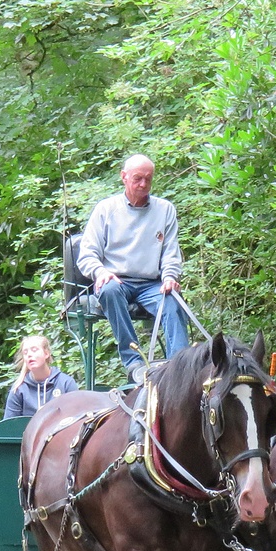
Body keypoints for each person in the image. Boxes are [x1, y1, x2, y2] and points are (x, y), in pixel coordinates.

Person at [77, 153, 188, 384]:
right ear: (124, 177)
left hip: (152, 284)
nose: (143, 184)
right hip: (117, 280)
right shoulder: (106, 209)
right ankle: (134, 361)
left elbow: (171, 253)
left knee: (173, 300)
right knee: (109, 290)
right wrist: (100, 272)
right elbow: (87, 254)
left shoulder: (165, 209)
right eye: (138, 178)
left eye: (148, 179)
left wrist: (169, 277)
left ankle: (180, 368)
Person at [3, 334, 80, 421]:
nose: (29, 355)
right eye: (25, 352)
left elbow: (77, 419)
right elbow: (9, 425)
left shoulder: (66, 383)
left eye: (34, 350)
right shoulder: (18, 389)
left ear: (46, 353)